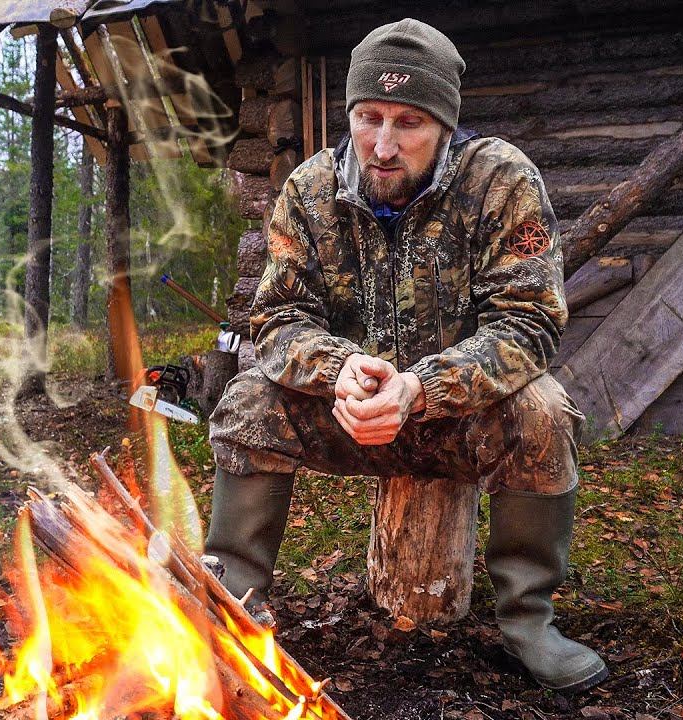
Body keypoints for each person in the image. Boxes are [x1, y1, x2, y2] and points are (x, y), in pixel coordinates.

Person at [204, 18, 607, 693]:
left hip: (457, 417)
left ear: (446, 126)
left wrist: (420, 388)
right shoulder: (309, 190)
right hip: (346, 417)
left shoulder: (501, 182)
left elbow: (530, 322)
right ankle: (235, 606)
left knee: (545, 411)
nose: (382, 146)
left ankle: (529, 621)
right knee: (248, 399)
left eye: (409, 123)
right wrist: (339, 372)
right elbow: (276, 317)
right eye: (369, 118)